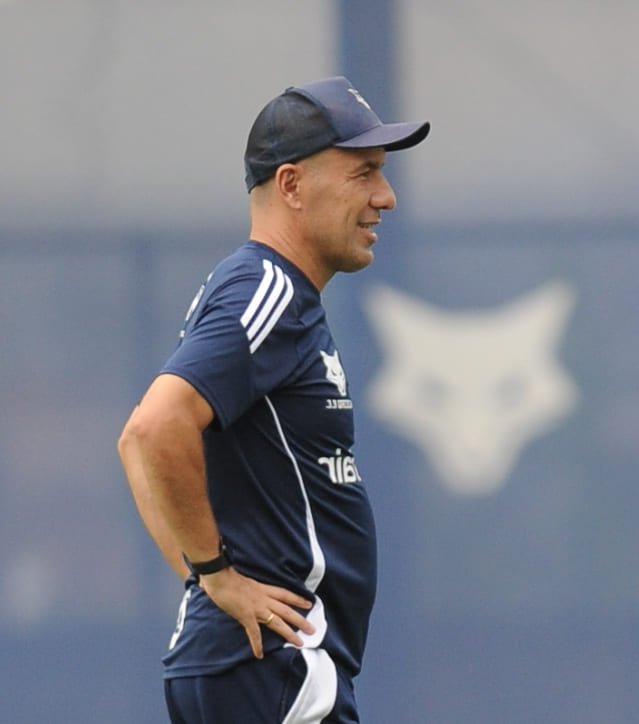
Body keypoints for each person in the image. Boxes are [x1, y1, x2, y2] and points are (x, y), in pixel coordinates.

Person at [117, 76, 428, 723]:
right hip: (275, 668)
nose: (386, 196)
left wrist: (206, 585)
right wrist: (215, 578)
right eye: (364, 173)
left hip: (259, 667)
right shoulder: (268, 288)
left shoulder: (271, 291)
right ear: (291, 185)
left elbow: (134, 441)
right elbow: (153, 428)